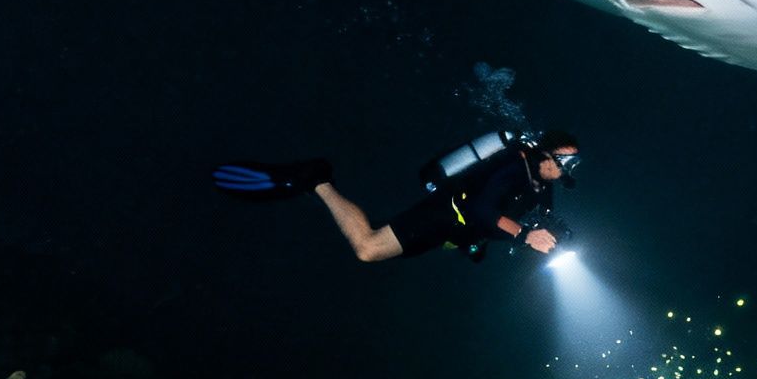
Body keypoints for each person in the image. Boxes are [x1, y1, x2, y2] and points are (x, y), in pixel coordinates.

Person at [213, 130, 581, 262]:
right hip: (442, 215)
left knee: (372, 248)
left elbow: (526, 220)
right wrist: (522, 234)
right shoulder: (515, 168)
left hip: (451, 231)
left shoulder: (541, 187)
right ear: (547, 152)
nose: (568, 169)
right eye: (567, 160)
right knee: (367, 248)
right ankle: (317, 180)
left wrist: (554, 237)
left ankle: (315, 180)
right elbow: (484, 208)